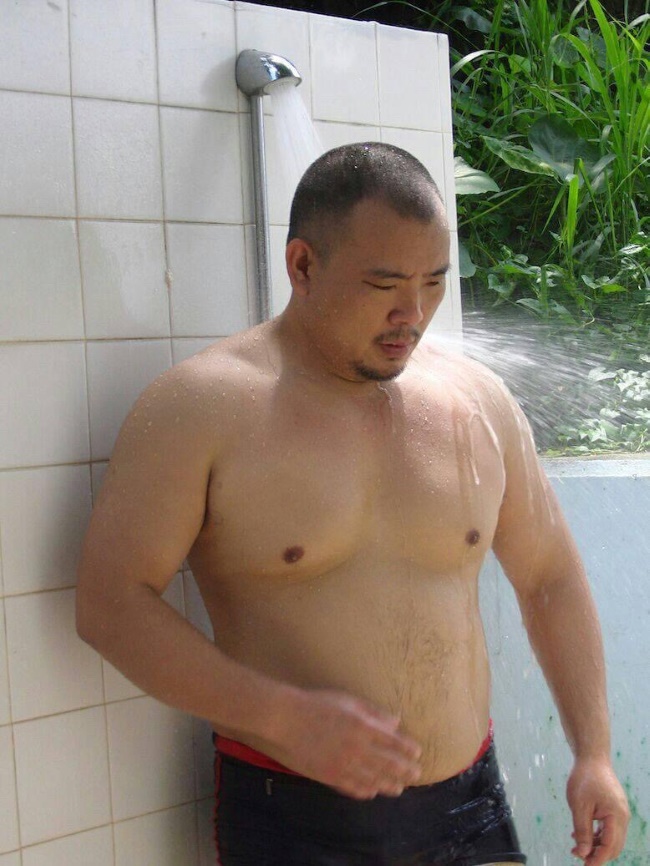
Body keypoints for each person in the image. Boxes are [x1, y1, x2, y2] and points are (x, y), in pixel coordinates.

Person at [76, 142, 629, 865]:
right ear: (303, 266)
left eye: (434, 281)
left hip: (468, 806)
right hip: (294, 816)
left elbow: (549, 573)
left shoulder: (476, 401)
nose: (414, 313)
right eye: (384, 284)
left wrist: (594, 753)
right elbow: (110, 603)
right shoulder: (203, 408)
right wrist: (283, 716)